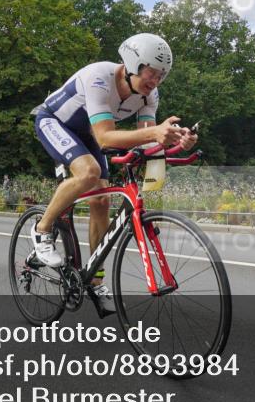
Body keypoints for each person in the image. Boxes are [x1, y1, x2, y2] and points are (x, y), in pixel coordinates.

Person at [31, 33, 197, 314]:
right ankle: (42, 230)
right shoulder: (99, 77)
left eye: (161, 76)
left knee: (101, 201)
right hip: (55, 121)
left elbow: (146, 141)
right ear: (133, 64)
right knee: (89, 172)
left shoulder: (149, 96)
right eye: (151, 73)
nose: (154, 82)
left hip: (91, 134)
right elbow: (106, 138)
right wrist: (155, 133)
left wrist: (177, 142)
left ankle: (95, 280)